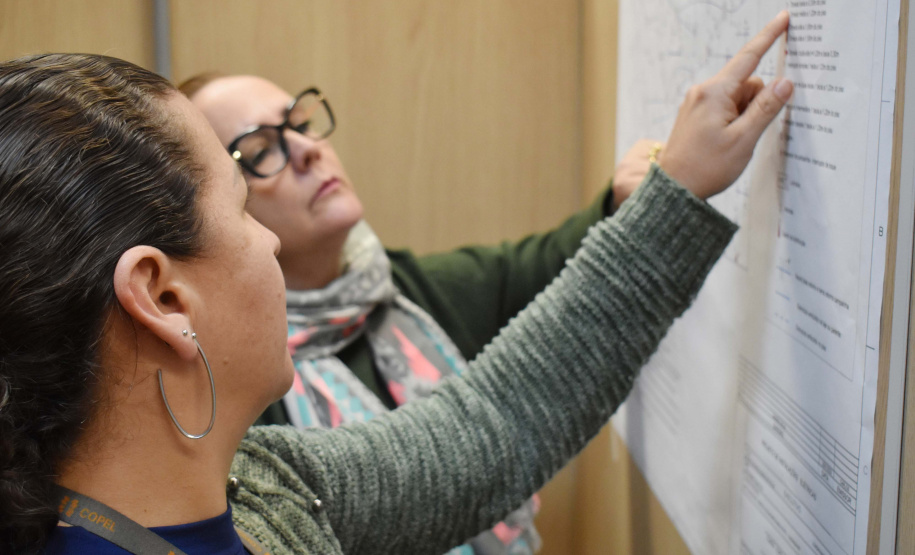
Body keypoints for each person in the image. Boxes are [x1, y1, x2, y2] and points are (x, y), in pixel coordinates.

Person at [0, 12, 793, 555]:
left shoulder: (266, 487)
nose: (268, 240)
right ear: (164, 297)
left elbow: (488, 431)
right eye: (242, 208)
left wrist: (676, 190)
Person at [179, 50, 659, 555]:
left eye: (300, 122)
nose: (305, 150)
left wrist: (623, 201)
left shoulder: (403, 289)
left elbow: (551, 268)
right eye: (259, 152)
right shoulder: (234, 390)